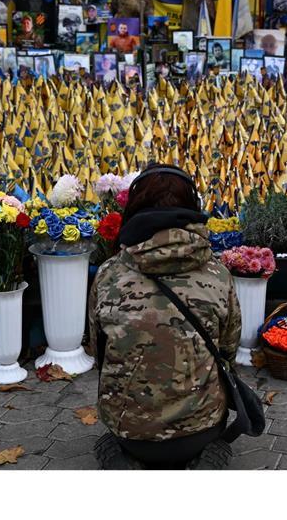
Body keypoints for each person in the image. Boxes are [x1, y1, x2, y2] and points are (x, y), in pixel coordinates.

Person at [87, 164, 240, 470]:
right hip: (201, 430)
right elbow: (228, 349)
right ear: (192, 209)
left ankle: (126, 457)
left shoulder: (108, 275)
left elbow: (97, 349)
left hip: (130, 432)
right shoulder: (218, 275)